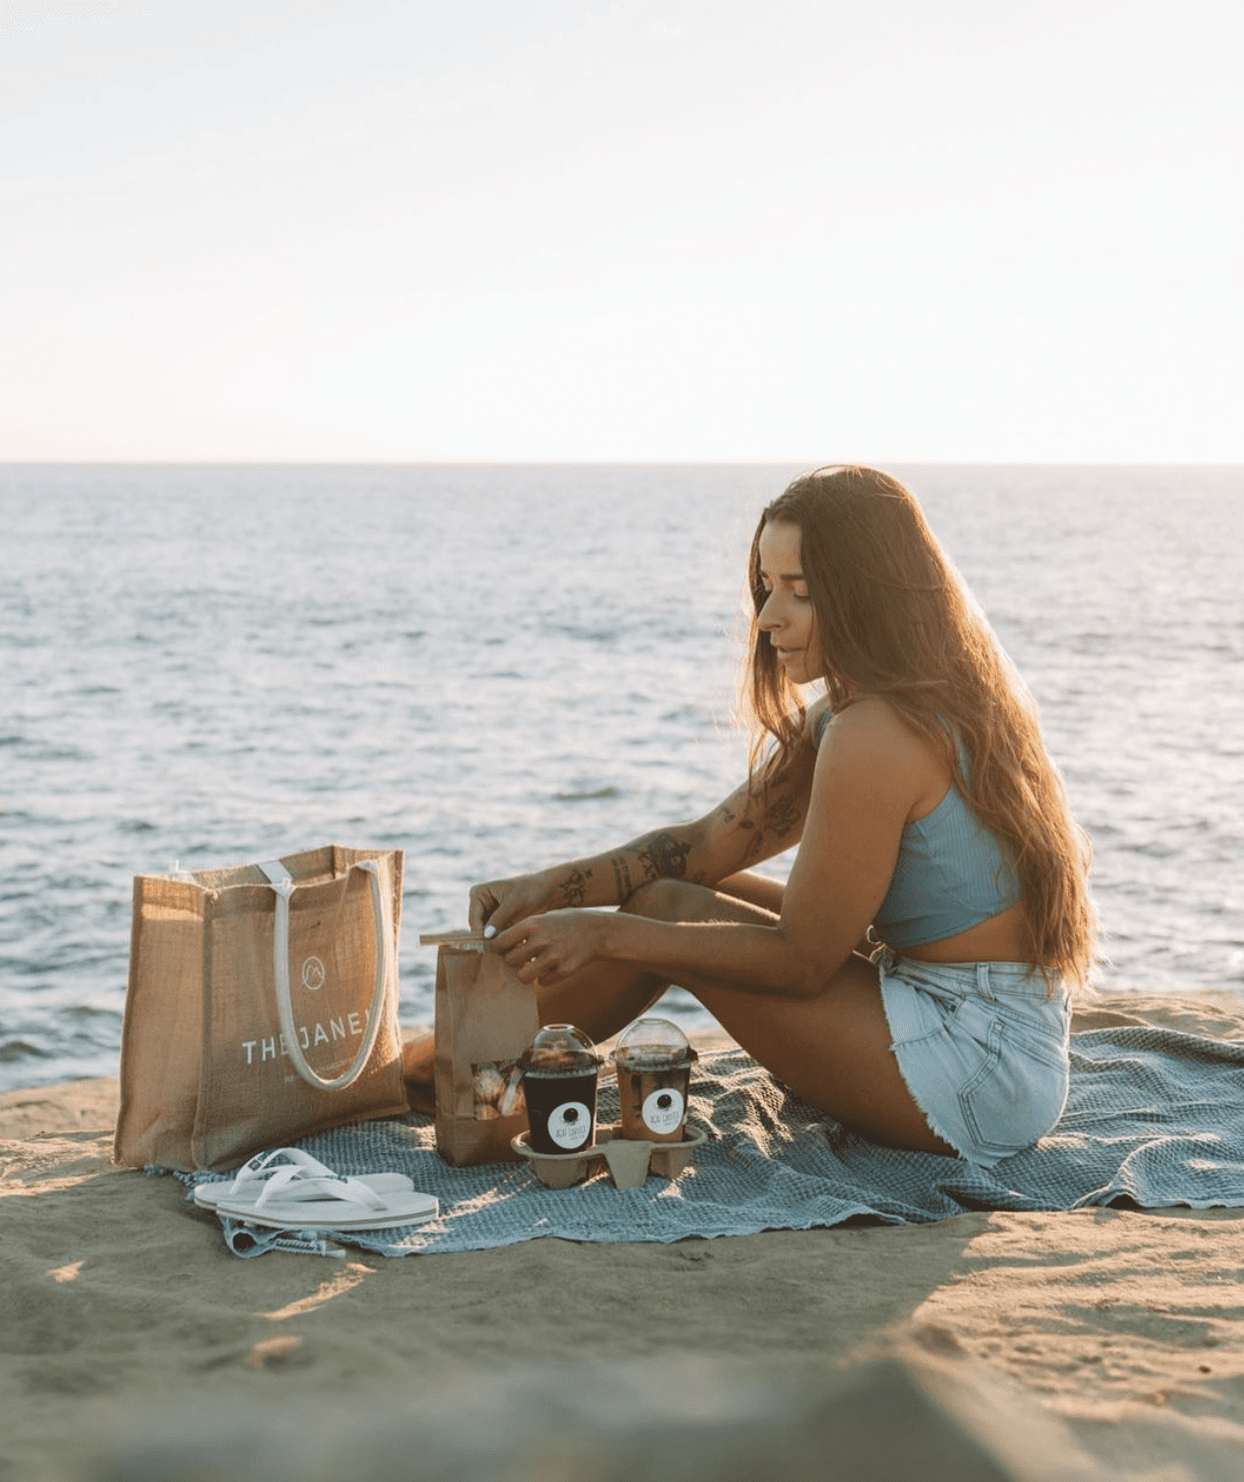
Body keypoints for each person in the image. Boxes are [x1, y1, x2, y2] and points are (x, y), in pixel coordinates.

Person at [466, 466, 1097, 1166]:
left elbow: (801, 962)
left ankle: (471, 1078)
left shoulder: (877, 733)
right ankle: (477, 1069)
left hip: (981, 1061)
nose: (768, 618)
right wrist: (552, 888)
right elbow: (705, 846)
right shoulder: (874, 709)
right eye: (767, 588)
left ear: (868, 594)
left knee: (660, 918)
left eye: (799, 591)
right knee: (667, 900)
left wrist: (609, 936)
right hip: (974, 1024)